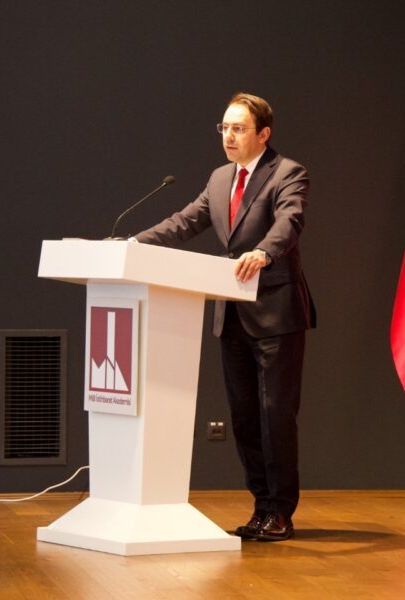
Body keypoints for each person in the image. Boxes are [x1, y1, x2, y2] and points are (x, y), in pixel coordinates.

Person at [134, 92, 315, 541]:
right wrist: (132, 245)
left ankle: (281, 511)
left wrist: (264, 252)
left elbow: (289, 222)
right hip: (231, 315)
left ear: (263, 134)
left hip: (275, 315)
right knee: (244, 418)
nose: (228, 136)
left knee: (275, 416)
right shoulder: (219, 179)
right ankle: (260, 507)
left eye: (238, 128)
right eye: (224, 128)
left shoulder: (287, 173)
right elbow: (184, 222)